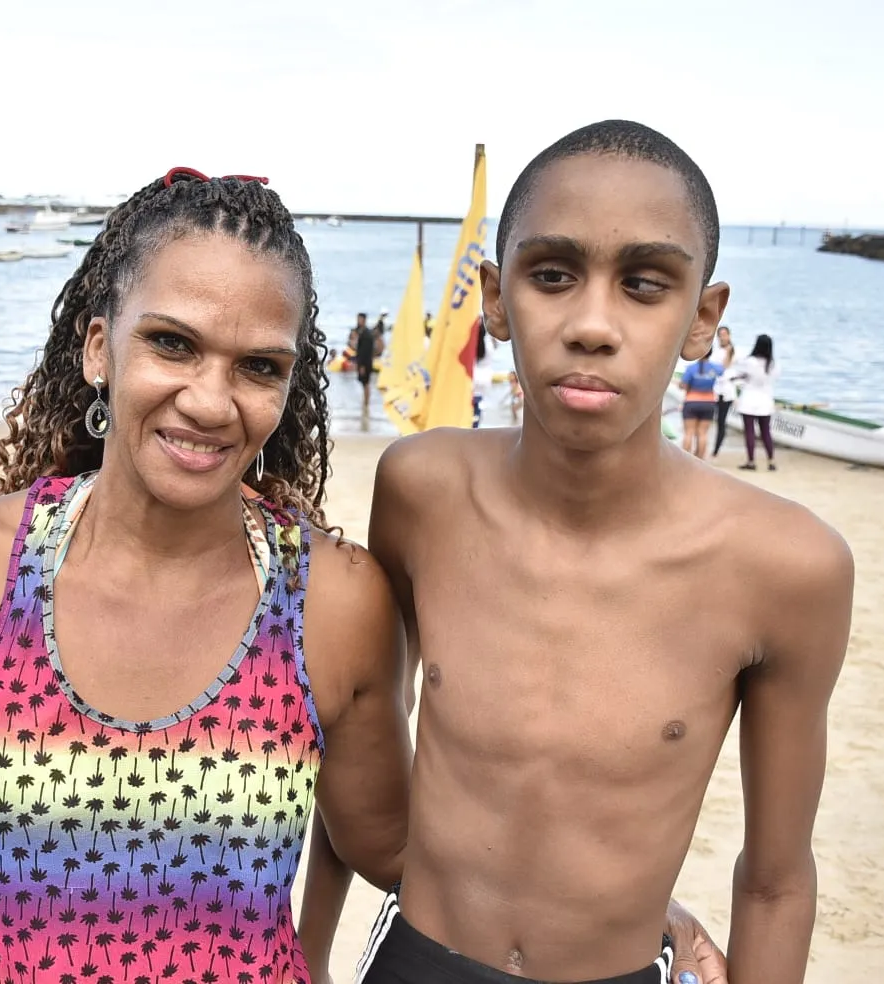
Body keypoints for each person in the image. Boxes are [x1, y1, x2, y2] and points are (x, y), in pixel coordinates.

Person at [0, 167, 415, 984]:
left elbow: (392, 850)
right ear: (99, 347)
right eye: (173, 344)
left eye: (258, 367)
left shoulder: (333, 603)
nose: (212, 402)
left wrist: (615, 901)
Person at [348, 120, 853, 984]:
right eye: (552, 275)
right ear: (495, 301)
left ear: (703, 317)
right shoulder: (420, 490)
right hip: (414, 960)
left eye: (644, 285)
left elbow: (774, 882)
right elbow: (365, 728)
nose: (591, 324)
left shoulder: (789, 567)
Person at [726, 334, 779, 471]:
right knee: (766, 432)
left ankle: (751, 461)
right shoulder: (773, 365)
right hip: (766, 401)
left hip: (749, 400)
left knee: (749, 431)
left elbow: (737, 372)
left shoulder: (750, 361)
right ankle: (771, 461)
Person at [678, 348, 723, 459]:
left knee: (689, 433)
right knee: (702, 433)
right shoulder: (715, 368)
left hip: (692, 401)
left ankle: (684, 460)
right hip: (709, 403)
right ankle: (700, 460)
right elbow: (724, 374)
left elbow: (683, 385)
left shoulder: (691, 368)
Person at [710, 325, 737, 456]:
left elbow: (725, 368)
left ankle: (716, 450)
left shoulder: (732, 351)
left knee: (721, 420)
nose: (722, 337)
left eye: (725, 334)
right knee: (710, 419)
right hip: (714, 389)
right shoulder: (715, 350)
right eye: (720, 335)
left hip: (726, 391)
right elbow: (714, 369)